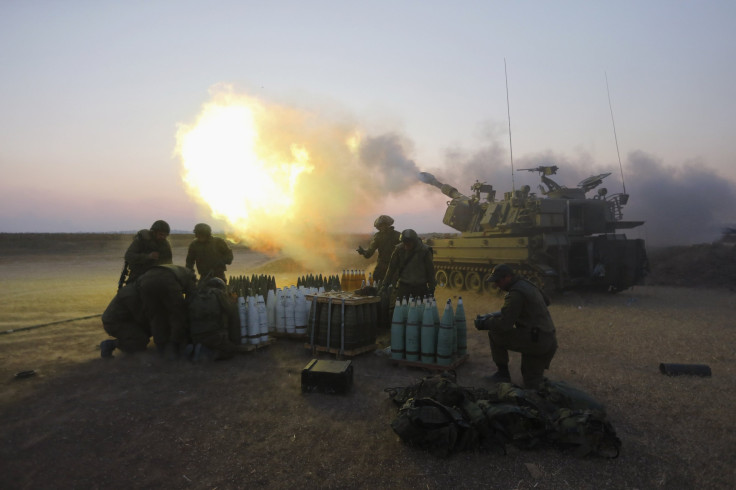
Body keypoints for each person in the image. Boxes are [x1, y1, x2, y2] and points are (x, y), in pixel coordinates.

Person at [474, 263, 558, 389]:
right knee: (532, 380)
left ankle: (502, 374)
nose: (496, 285)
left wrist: (484, 323)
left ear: (507, 277)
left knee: (495, 332)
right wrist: (491, 315)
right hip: (548, 339)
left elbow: (504, 325)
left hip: (537, 341)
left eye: (498, 281)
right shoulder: (527, 284)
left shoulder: (515, 293)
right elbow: (546, 301)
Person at [137, 264, 197, 359]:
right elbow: (192, 298)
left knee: (155, 315)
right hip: (167, 281)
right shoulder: (190, 277)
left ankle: (161, 346)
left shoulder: (178, 269)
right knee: (178, 315)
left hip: (145, 280)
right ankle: (175, 345)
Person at [187, 277, 250, 361]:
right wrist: (236, 342)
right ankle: (206, 352)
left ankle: (193, 347)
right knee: (230, 350)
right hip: (212, 337)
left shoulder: (195, 295)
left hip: (194, 335)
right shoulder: (219, 294)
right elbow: (232, 314)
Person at [379, 229, 435, 301]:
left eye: (408, 243)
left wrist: (432, 287)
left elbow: (430, 270)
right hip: (404, 287)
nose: (406, 246)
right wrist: (385, 284)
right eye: (404, 243)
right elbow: (391, 268)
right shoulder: (399, 249)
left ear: (414, 241)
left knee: (419, 310)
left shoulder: (425, 251)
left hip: (420, 288)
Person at [99, 283, 150, 358]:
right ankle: (111, 344)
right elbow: (140, 317)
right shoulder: (131, 293)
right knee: (140, 342)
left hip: (124, 320)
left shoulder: (136, 288)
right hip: (115, 323)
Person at [123, 220, 173, 285]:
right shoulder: (141, 240)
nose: (163, 237)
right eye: (161, 234)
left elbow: (169, 263)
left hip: (158, 276)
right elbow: (128, 256)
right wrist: (148, 256)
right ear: (154, 232)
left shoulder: (165, 245)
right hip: (138, 276)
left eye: (165, 235)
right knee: (128, 293)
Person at [356, 215, 401, 284]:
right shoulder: (398, 235)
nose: (381, 227)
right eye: (380, 225)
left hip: (388, 267)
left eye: (382, 225)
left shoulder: (379, 236)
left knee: (380, 286)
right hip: (390, 266)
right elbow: (369, 253)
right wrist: (363, 252)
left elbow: (368, 254)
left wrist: (363, 252)